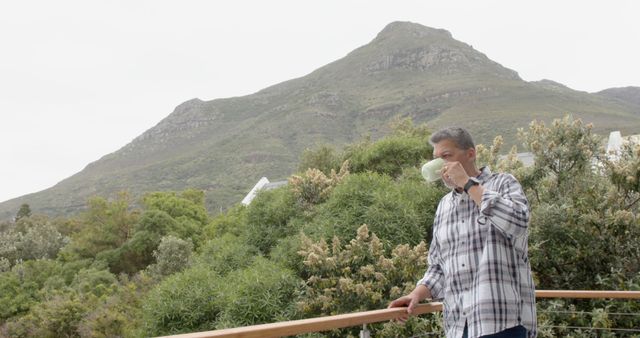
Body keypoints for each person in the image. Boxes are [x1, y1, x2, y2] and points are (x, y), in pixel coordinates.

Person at [388, 127, 537, 338]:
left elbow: (518, 222)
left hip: (503, 323)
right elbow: (438, 266)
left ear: (470, 154)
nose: (441, 166)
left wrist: (468, 184)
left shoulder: (503, 183)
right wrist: (416, 294)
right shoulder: (444, 205)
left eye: (446, 156)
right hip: (458, 325)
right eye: (436, 159)